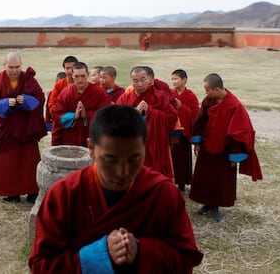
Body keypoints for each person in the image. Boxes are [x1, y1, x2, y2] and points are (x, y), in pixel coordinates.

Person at [29, 105, 203, 273]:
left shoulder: (162, 193)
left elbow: (184, 260)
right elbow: (42, 265)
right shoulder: (64, 195)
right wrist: (96, 256)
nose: (123, 172)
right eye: (111, 160)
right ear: (91, 148)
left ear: (145, 147)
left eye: (134, 159)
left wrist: (141, 252)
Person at [190, 73, 262, 221]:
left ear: (217, 89)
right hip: (207, 144)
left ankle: (216, 206)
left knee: (220, 179)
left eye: (208, 90)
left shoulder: (234, 105)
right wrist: (197, 141)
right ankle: (207, 204)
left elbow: (239, 132)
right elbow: (200, 120)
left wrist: (235, 156)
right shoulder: (209, 101)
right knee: (205, 176)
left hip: (225, 150)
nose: (206, 93)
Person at [0, 52, 47, 203]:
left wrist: (26, 101)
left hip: (25, 128)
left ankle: (32, 191)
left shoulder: (28, 79)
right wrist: (4, 103)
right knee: (6, 160)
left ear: (21, 65)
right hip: (6, 129)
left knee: (29, 160)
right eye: (10, 67)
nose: (14, 70)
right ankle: (11, 193)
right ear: (4, 65)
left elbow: (40, 97)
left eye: (17, 67)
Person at [116, 66, 178, 179]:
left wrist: (151, 111)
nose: (140, 84)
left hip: (154, 143)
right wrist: (135, 112)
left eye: (143, 79)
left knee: (153, 177)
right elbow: (116, 121)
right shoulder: (124, 98)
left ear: (148, 79)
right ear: (131, 81)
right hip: (132, 145)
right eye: (136, 80)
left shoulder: (159, 96)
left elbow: (172, 117)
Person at [51, 62, 112, 147]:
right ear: (72, 75)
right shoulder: (66, 93)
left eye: (83, 76)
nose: (80, 80)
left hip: (92, 139)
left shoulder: (99, 92)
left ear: (88, 74)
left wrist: (86, 115)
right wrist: (73, 116)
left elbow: (107, 115)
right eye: (76, 76)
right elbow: (57, 117)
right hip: (70, 139)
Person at [170, 69, 200, 193]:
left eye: (176, 79)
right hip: (172, 131)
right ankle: (171, 181)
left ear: (184, 80)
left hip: (184, 133)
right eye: (172, 79)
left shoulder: (190, 96)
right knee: (172, 157)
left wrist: (182, 107)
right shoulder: (170, 93)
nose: (174, 81)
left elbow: (195, 115)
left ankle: (182, 184)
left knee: (182, 158)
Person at [46, 55, 78, 123]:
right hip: (62, 119)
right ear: (64, 69)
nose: (69, 71)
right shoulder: (59, 85)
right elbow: (52, 104)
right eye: (67, 68)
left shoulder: (82, 83)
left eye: (72, 68)